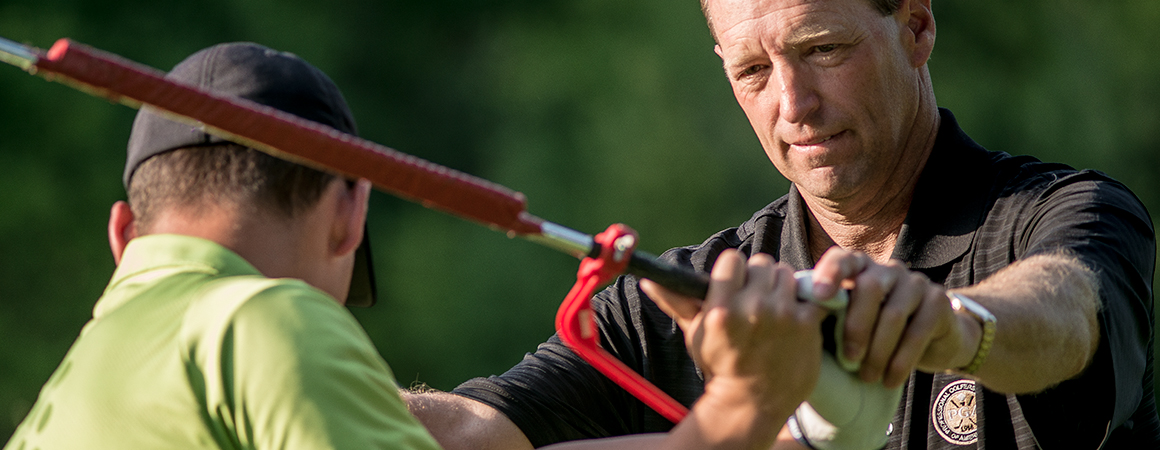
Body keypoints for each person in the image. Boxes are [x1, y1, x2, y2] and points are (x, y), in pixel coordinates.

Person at [4, 41, 836, 450]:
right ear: (348, 217)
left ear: (124, 235)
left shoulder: (61, 401)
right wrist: (741, 412)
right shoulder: (263, 319)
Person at [406, 0, 1160, 448]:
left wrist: (953, 327)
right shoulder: (679, 299)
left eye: (824, 50)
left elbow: (1068, 311)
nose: (793, 105)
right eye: (753, 71)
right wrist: (333, 369)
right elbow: (471, 433)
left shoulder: (1066, 210)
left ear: (917, 26)